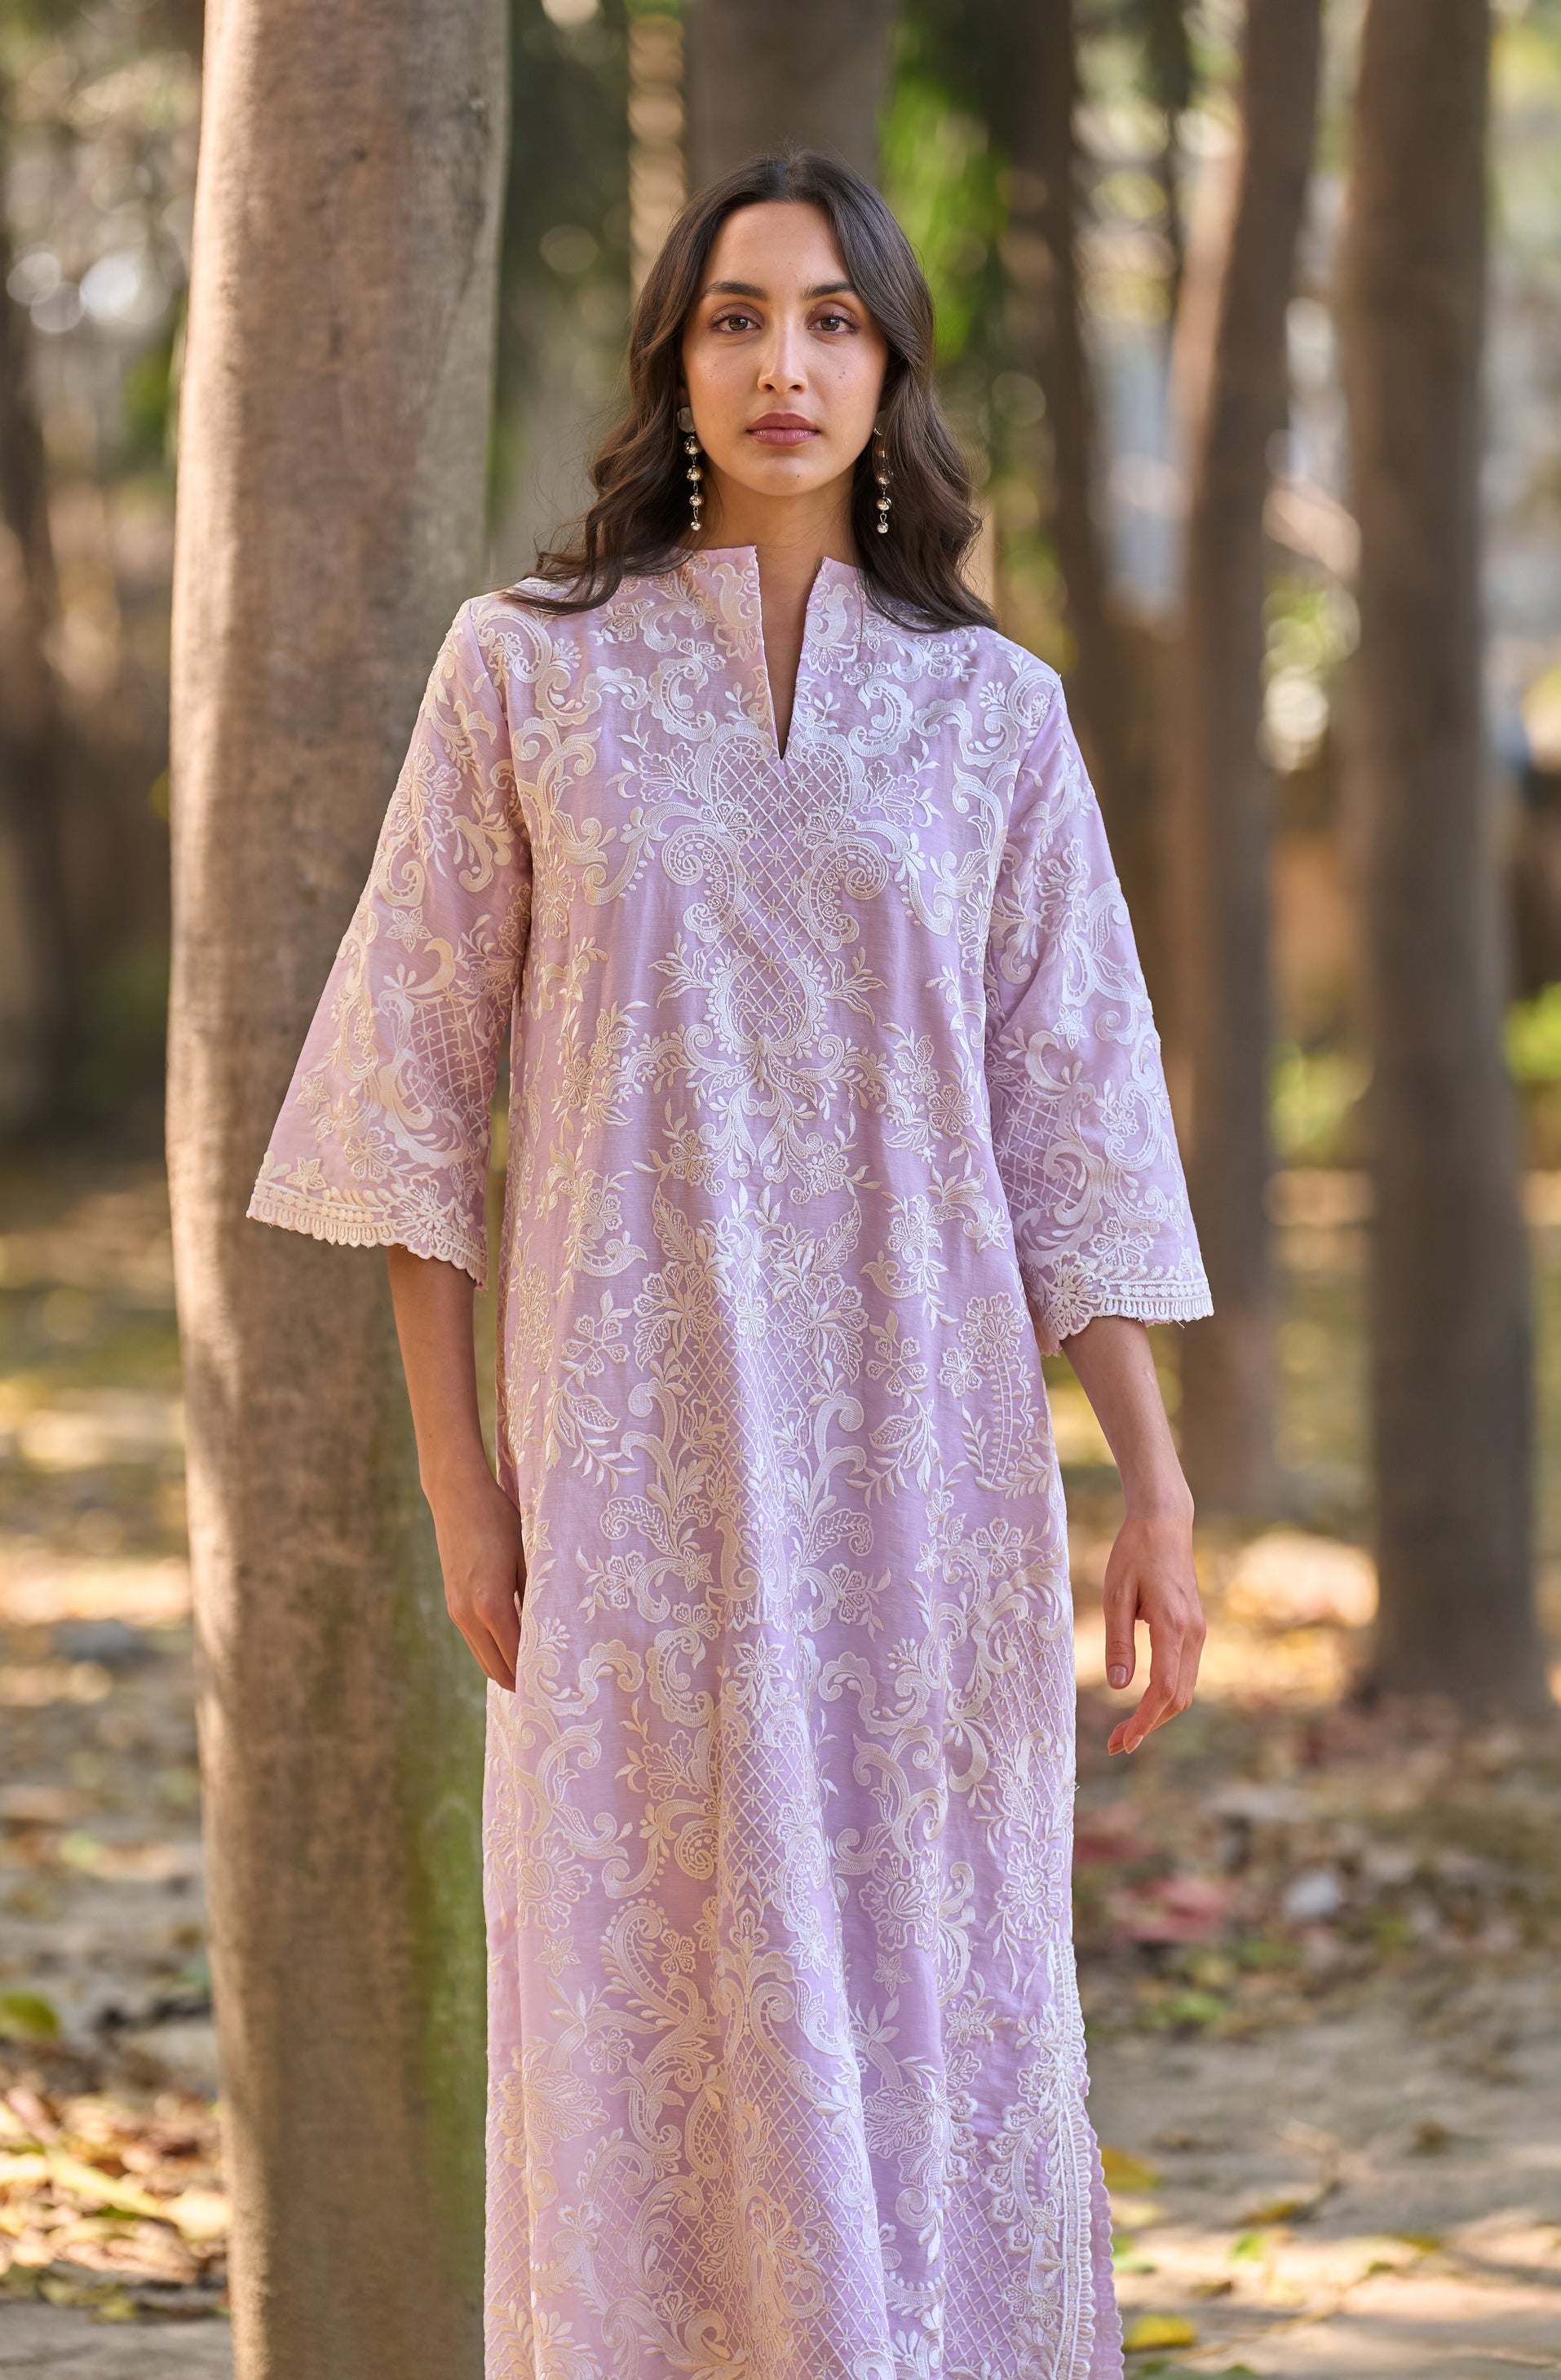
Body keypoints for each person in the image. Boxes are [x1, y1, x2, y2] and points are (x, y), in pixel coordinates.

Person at [249, 148, 1210, 2380]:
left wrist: (1153, 1491)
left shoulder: (994, 717)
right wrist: (462, 1481)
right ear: (676, 365)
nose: (786, 365)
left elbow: (1070, 1121)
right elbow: (414, 1106)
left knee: (929, 1991)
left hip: (928, 1482)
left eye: (832, 322)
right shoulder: (524, 674)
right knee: (643, 1996)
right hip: (629, 1475)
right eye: (739, 319)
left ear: (892, 373)